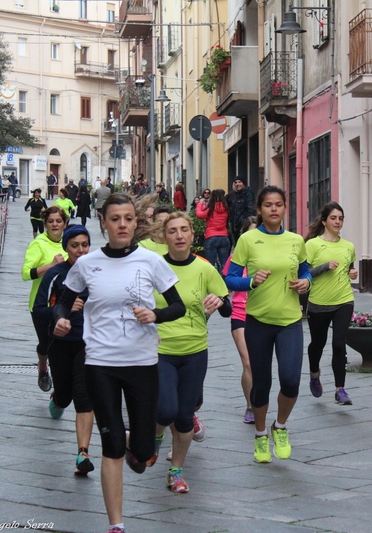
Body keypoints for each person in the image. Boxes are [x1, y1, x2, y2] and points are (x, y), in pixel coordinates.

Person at [51, 193, 185, 533]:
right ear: (105, 223)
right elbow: (62, 302)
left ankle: (134, 444)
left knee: (141, 452)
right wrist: (62, 319)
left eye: (128, 218)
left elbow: (178, 307)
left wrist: (155, 314)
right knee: (109, 446)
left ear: (135, 223)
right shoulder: (87, 264)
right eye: (115, 219)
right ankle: (116, 525)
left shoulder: (151, 262)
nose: (122, 224)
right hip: (100, 363)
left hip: (142, 363)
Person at [224, 186, 311, 463]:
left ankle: (280, 427)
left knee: (291, 381)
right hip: (258, 321)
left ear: (285, 208)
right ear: (260, 210)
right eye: (268, 205)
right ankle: (261, 435)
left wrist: (306, 282)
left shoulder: (296, 240)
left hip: (290, 321)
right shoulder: (248, 240)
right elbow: (229, 279)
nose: (274, 209)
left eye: (279, 204)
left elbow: (306, 269)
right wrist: (251, 282)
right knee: (261, 384)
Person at [146, 212, 231, 493]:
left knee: (184, 417)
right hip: (162, 351)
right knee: (165, 409)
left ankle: (176, 472)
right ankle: (156, 439)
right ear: (164, 237)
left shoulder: (204, 269)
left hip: (195, 351)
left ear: (192, 236)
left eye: (184, 230)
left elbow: (227, 307)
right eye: (173, 231)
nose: (179, 235)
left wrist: (218, 301)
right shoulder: (154, 268)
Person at [33, 225, 95, 476]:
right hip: (60, 343)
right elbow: (39, 309)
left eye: (85, 244)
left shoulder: (97, 272)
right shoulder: (56, 274)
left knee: (83, 398)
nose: (81, 250)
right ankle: (57, 398)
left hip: (89, 344)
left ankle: (83, 453)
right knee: (66, 396)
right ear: (66, 248)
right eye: (75, 246)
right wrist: (63, 312)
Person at [304, 202, 358, 406]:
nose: (337, 222)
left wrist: (352, 273)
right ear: (325, 221)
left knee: (338, 344)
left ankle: (340, 390)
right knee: (317, 344)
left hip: (344, 300)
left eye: (341, 218)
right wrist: (324, 267)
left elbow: (349, 268)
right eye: (334, 218)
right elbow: (303, 274)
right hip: (318, 303)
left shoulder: (348, 246)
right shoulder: (312, 245)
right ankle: (314, 373)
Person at [22, 206, 68, 392]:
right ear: (45, 224)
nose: (55, 224)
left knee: (63, 348)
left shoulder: (71, 241)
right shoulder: (38, 244)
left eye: (58, 221)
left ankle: (60, 389)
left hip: (66, 304)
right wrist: (51, 266)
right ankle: (43, 367)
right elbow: (26, 274)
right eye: (51, 221)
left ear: (65, 223)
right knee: (47, 345)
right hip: (42, 304)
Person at [222, 216, 257, 424]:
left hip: (263, 314)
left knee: (260, 366)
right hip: (240, 313)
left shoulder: (268, 257)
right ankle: (250, 406)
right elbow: (227, 283)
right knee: (248, 363)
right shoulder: (236, 257)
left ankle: (259, 400)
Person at [195, 188, 230, 271]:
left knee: (210, 264)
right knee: (224, 265)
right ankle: (225, 281)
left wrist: (200, 204)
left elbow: (199, 214)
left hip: (211, 237)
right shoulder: (226, 209)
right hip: (224, 237)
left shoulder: (210, 209)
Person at [230, 178, 255, 244]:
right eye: (235, 182)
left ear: (244, 183)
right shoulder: (237, 195)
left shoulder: (248, 194)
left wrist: (244, 223)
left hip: (243, 226)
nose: (237, 184)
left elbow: (251, 210)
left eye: (239, 182)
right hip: (236, 227)